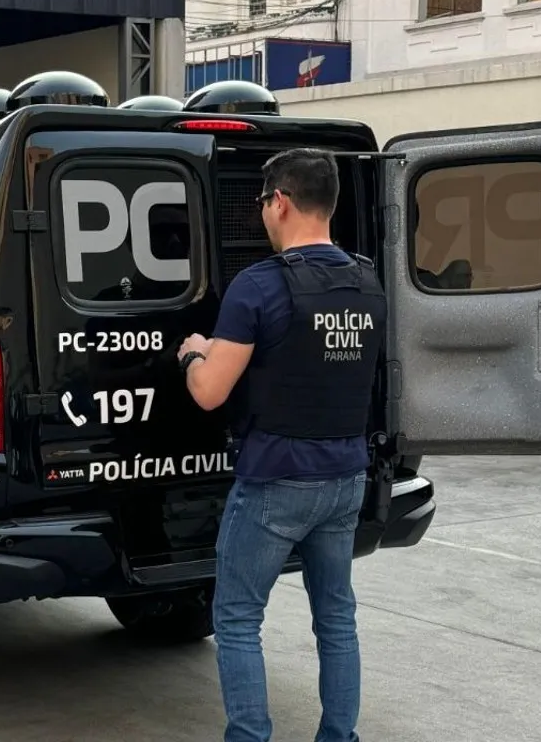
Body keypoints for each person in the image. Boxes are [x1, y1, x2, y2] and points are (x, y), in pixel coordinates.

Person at [175, 148, 387, 742]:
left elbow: (211, 393)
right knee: (337, 621)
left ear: (282, 202)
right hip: (346, 476)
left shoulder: (259, 286)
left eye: (264, 201)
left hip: (275, 480)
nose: (263, 212)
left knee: (238, 618)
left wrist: (194, 353)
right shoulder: (366, 280)